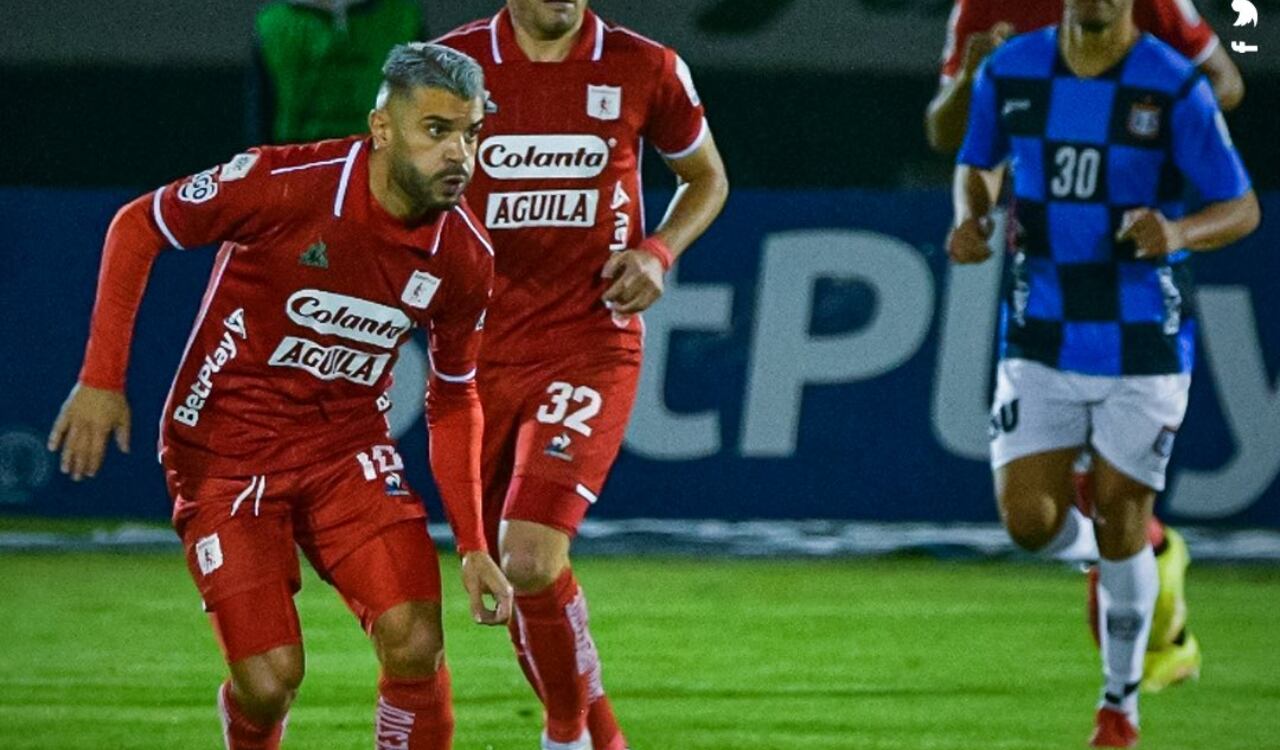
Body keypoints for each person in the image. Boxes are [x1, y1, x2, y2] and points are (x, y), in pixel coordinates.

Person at [47, 43, 514, 750]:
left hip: (344, 451)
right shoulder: (286, 183)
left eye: (471, 133)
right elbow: (137, 225)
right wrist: (102, 379)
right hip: (224, 453)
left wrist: (475, 544)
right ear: (382, 129)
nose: (459, 154)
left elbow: (454, 398)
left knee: (416, 641)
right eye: (438, 131)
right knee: (269, 683)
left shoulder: (464, 257)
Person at [947, 0, 1259, 743]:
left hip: (1143, 337)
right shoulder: (1011, 67)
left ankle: (1119, 707)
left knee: (1122, 521)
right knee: (1030, 524)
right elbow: (977, 159)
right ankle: (1130, 561)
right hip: (1040, 328)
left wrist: (1179, 230)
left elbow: (1241, 205)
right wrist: (974, 215)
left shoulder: (1172, 83)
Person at [436, 2, 729, 748]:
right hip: (474, 355)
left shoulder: (645, 66)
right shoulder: (444, 69)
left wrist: (658, 252)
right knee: (515, 572)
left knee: (531, 555)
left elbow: (706, 179)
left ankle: (565, 735)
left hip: (588, 341)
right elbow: (389, 184)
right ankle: (604, 737)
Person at [928, 0, 1244, 153]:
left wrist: (1151, 128)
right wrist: (971, 78)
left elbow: (1226, 84)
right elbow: (944, 136)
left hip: (1141, 208)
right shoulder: (982, 5)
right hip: (1037, 217)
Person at [252, 0, 426, 144]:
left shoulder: (403, 17)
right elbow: (259, 117)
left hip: (383, 162)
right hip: (297, 168)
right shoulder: (273, 25)